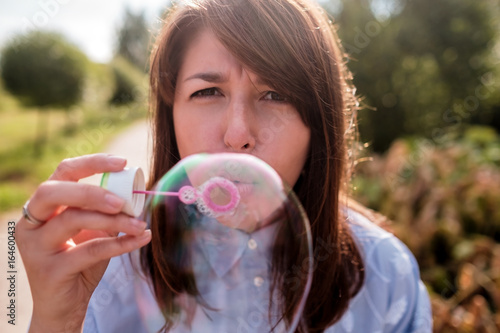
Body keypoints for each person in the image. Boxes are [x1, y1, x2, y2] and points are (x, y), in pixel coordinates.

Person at [16, 0, 433, 332]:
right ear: (170, 112)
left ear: (319, 123)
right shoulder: (107, 265)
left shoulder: (383, 275)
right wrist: (56, 321)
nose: (238, 135)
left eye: (276, 94)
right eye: (209, 91)